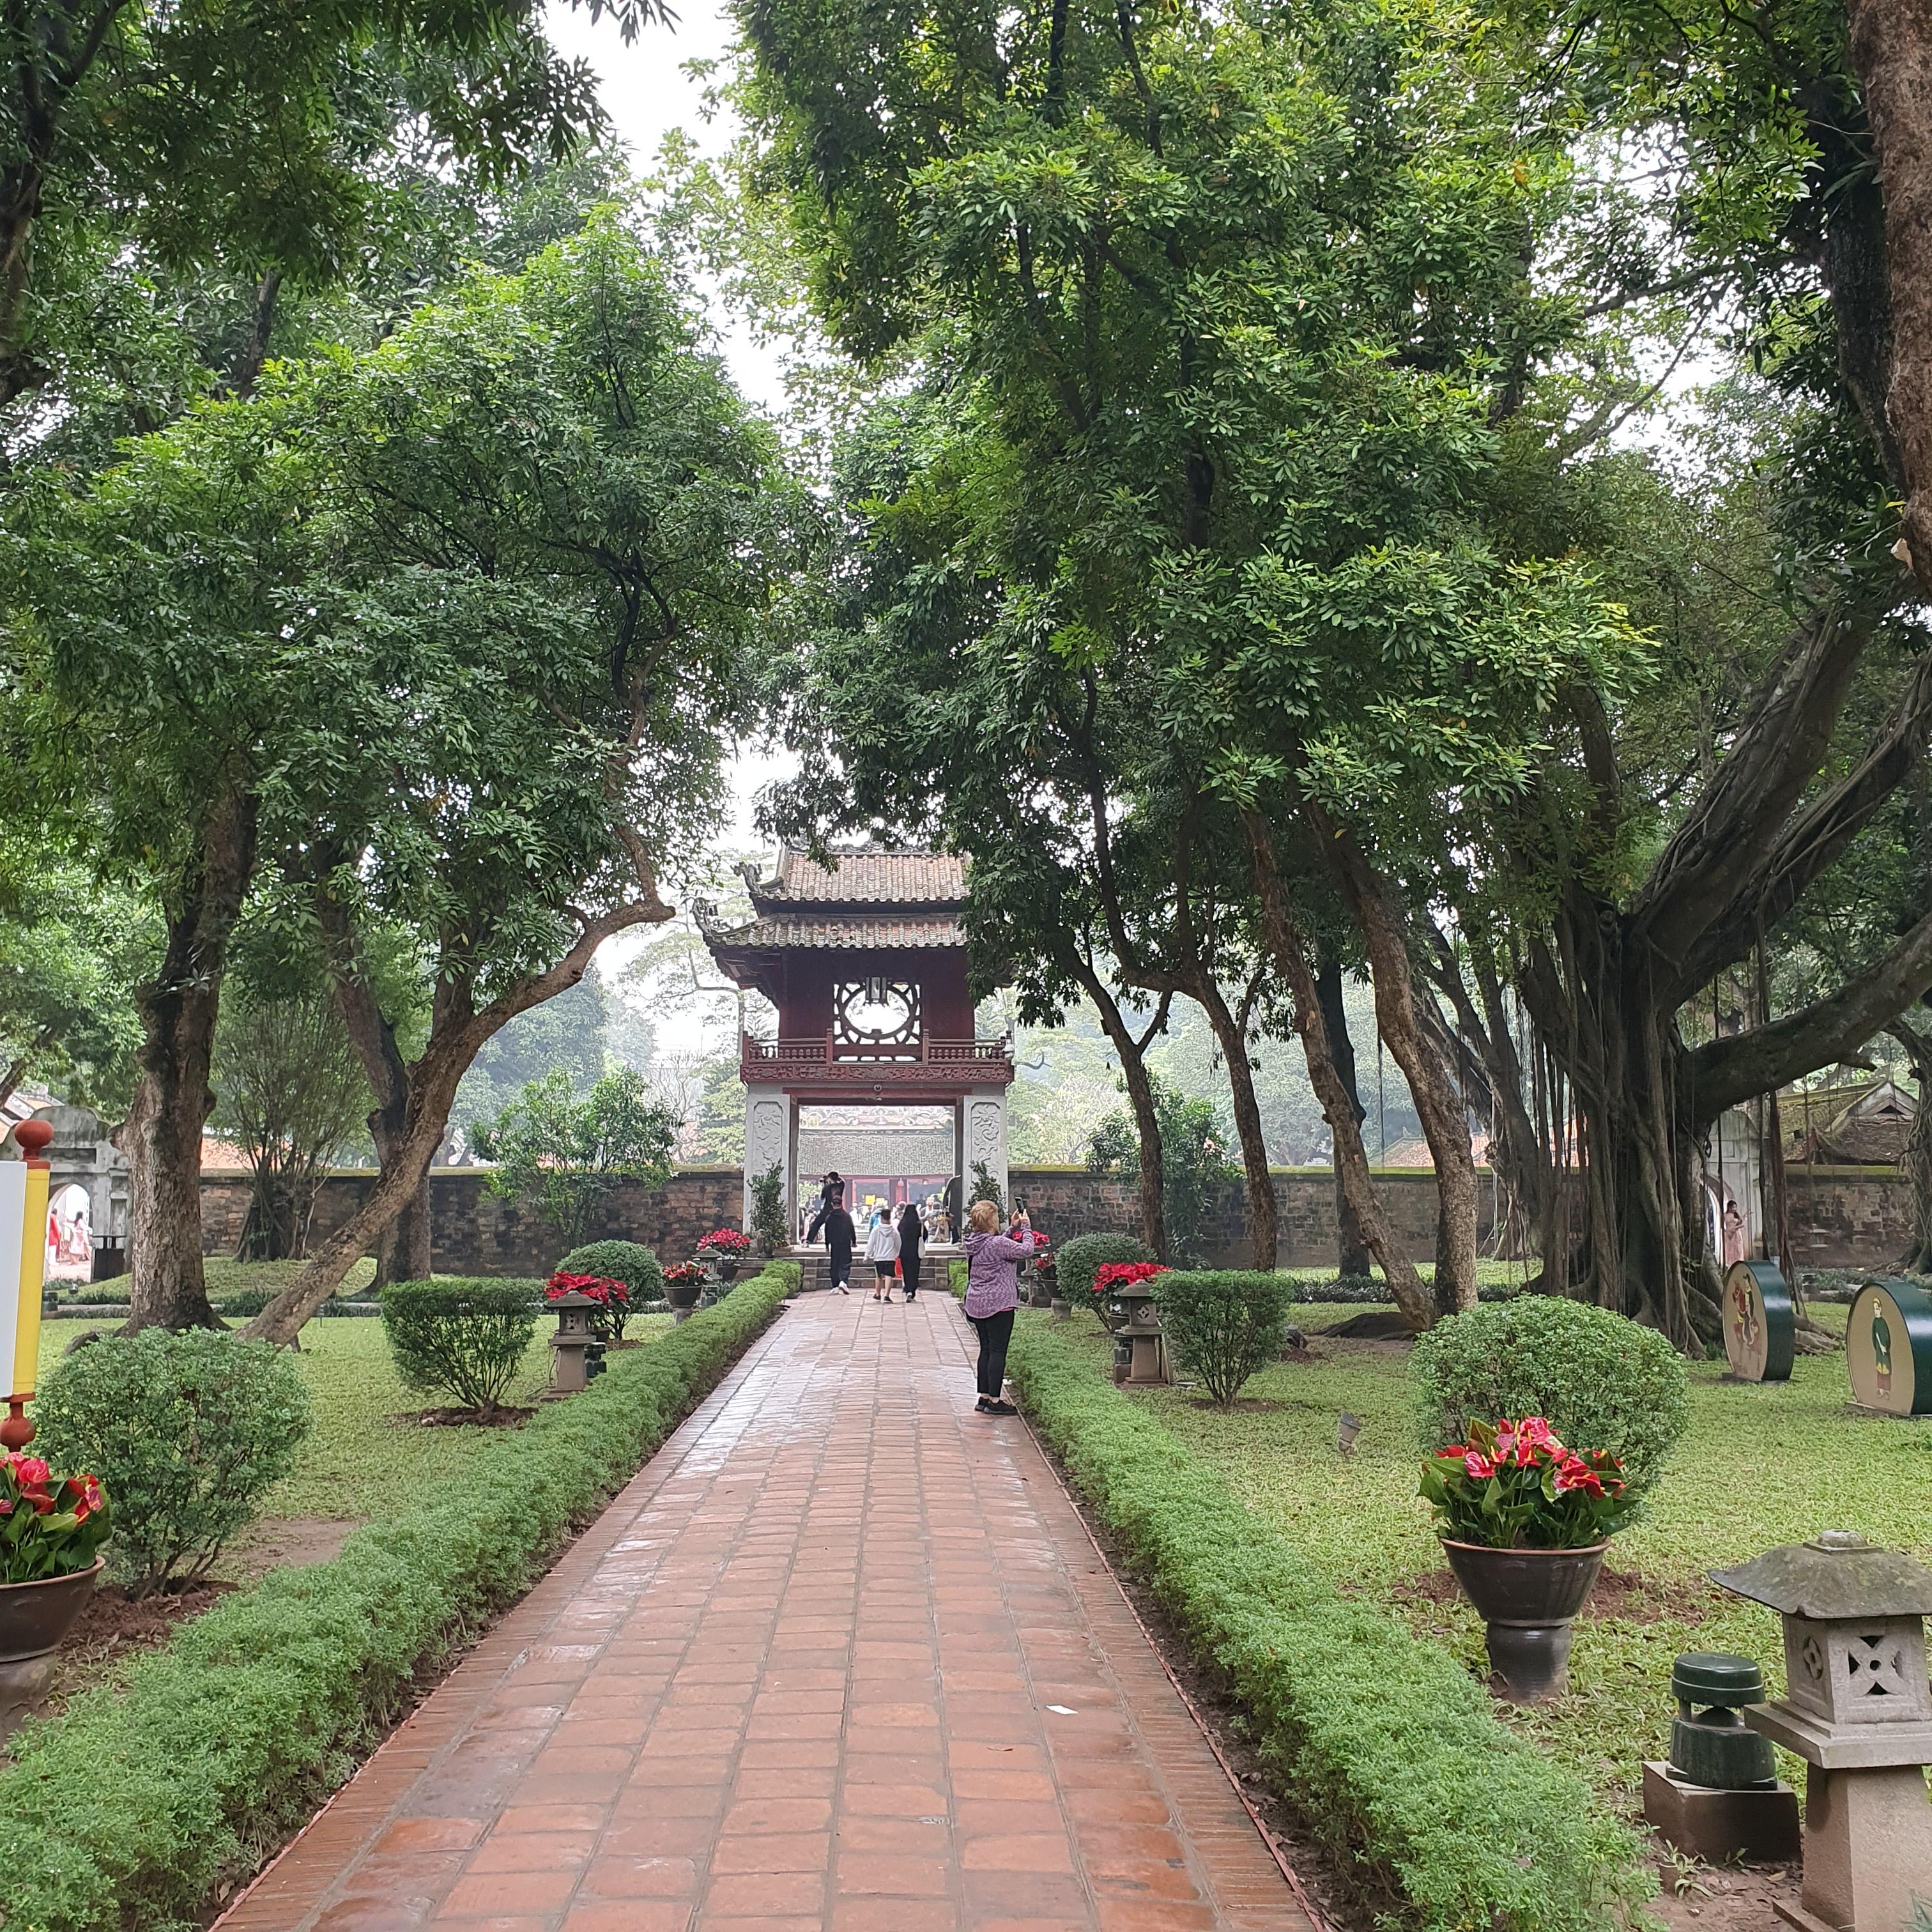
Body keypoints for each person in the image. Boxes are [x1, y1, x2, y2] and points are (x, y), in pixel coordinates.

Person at [962, 1198, 1033, 1415]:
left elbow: (994, 1247)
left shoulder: (973, 1242)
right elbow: (1027, 1250)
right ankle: (995, 1400)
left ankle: (983, 1396)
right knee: (998, 1351)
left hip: (977, 1302)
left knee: (986, 1349)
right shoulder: (997, 1244)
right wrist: (1026, 1227)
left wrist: (1012, 1229)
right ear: (991, 1222)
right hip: (999, 1304)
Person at [864, 1204, 901, 1301]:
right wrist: (897, 1253)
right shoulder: (894, 1231)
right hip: (890, 1257)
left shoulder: (876, 1229)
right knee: (889, 1276)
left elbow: (871, 1243)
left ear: (881, 1217)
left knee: (879, 1276)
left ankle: (878, 1294)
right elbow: (899, 1243)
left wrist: (867, 1255)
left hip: (879, 1257)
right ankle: (887, 1295)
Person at [823, 1199, 855, 1294]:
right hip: (845, 1243)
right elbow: (851, 1229)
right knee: (845, 1262)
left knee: (835, 1263)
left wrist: (827, 1244)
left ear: (832, 1204)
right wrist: (854, 1241)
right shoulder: (847, 1216)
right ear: (841, 1203)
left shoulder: (829, 1217)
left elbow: (827, 1232)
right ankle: (843, 1281)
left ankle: (835, 1285)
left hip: (834, 1244)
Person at [805, 1170, 845, 1245]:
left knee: (816, 1224)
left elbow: (822, 1197)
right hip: (839, 1209)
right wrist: (831, 1179)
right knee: (843, 1225)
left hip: (827, 1209)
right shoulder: (841, 1185)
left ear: (830, 1179)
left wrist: (825, 1183)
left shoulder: (827, 1188)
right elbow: (842, 1180)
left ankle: (809, 1240)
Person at [896, 1199, 924, 1302]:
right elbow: (924, 1235)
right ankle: (913, 1290)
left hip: (904, 1251)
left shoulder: (902, 1223)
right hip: (916, 1251)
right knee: (915, 1271)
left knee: (906, 1271)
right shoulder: (919, 1223)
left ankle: (907, 1288)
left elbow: (898, 1234)